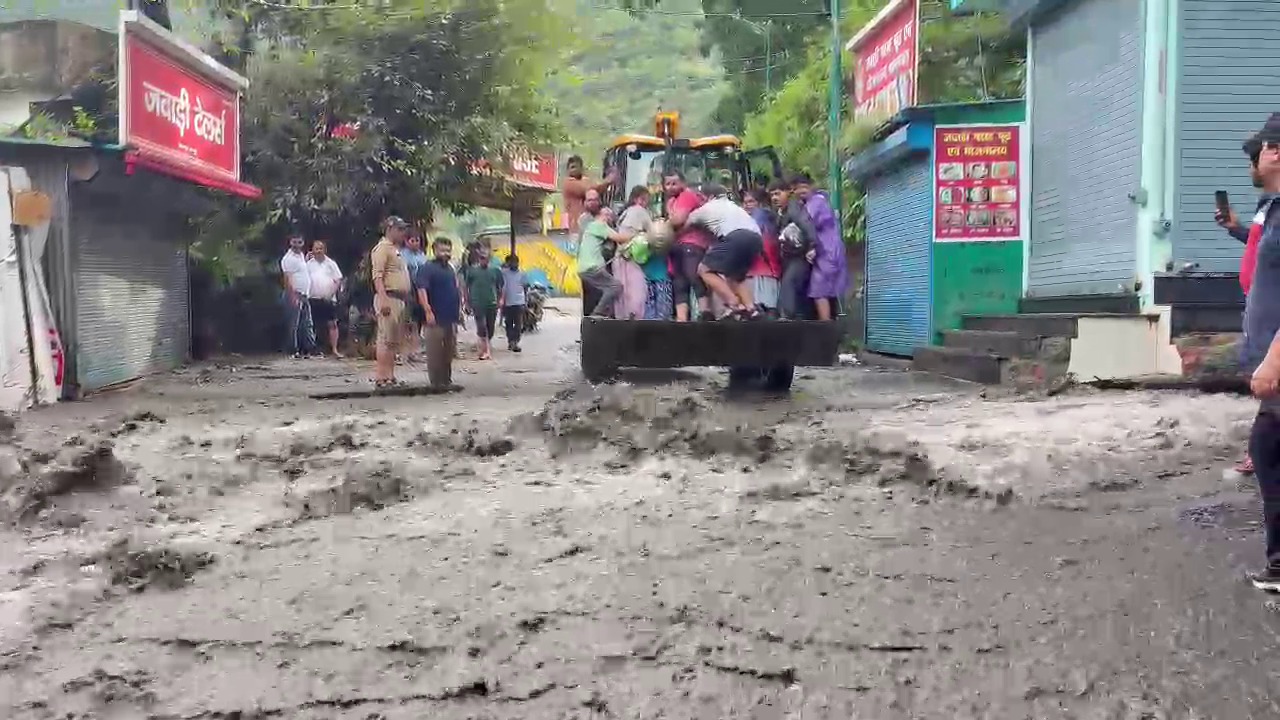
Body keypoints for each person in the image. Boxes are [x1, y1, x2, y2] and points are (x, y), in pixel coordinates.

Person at [1240, 114, 1280, 594]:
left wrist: (1273, 356)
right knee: (1268, 448)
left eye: (1258, 152)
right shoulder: (1271, 208)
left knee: (1268, 448)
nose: (1252, 162)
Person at [1217, 136, 1267, 476]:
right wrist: (1236, 229)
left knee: (1269, 383)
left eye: (1254, 160)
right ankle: (1260, 451)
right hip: (1259, 305)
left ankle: (1260, 453)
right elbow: (1262, 245)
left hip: (1271, 311)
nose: (1251, 168)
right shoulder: (1268, 206)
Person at [685, 184, 764, 319]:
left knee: (704, 270)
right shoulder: (733, 206)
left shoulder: (706, 208)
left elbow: (686, 224)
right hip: (756, 238)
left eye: (700, 198)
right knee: (735, 277)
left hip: (736, 237)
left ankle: (734, 304)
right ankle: (751, 309)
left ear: (709, 196)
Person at [792, 173, 848, 321]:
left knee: (819, 290)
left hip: (827, 250)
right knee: (826, 290)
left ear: (811, 187)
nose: (801, 190)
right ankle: (829, 324)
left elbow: (805, 222)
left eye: (804, 186)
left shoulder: (815, 202)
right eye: (797, 188)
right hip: (828, 249)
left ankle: (826, 326)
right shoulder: (816, 201)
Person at [415, 236, 463, 391]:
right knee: (435, 351)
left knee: (448, 351)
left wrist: (460, 310)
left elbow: (455, 289)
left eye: (448, 250)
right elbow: (421, 290)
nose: (446, 253)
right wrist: (428, 311)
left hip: (450, 316)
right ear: (434, 250)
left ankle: (446, 381)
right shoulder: (427, 268)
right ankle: (435, 383)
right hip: (435, 316)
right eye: (442, 250)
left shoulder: (450, 268)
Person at [664, 170, 713, 321]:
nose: (671, 187)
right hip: (677, 244)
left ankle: (705, 313)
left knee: (694, 277)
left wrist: (660, 226)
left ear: (683, 183)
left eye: (674, 183)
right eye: (668, 184)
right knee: (679, 282)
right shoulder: (671, 202)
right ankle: (681, 319)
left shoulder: (687, 195)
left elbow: (679, 219)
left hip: (693, 243)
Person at [370, 216, 413, 387]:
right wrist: (383, 299)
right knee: (385, 339)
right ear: (390, 229)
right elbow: (377, 276)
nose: (403, 233)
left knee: (394, 340)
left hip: (399, 298)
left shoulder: (395, 249)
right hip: (388, 296)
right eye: (400, 229)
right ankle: (381, 376)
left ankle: (390, 375)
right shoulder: (382, 248)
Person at [619, 185, 673, 320]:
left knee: (646, 299)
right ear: (639, 199)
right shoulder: (640, 212)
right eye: (646, 200)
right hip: (650, 267)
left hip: (633, 261)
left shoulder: (625, 213)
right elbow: (654, 232)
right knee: (659, 299)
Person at [769, 178, 819, 319]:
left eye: (778, 194)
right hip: (790, 257)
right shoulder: (781, 213)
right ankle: (793, 316)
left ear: (788, 193)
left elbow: (807, 225)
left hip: (800, 256)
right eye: (772, 195)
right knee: (793, 287)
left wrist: (812, 246)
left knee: (790, 283)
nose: (774, 198)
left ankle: (788, 316)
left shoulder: (794, 209)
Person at [578, 205, 627, 317]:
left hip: (584, 269)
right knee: (615, 286)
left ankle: (603, 314)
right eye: (607, 215)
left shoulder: (591, 226)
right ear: (600, 215)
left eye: (610, 216)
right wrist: (637, 234)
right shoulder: (600, 225)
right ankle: (598, 313)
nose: (609, 218)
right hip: (592, 268)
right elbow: (620, 238)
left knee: (605, 289)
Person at [460, 243, 504, 360]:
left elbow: (501, 287)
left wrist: (501, 299)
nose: (483, 260)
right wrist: (466, 301)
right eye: (481, 258)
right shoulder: (472, 271)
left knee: (490, 327)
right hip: (477, 302)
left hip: (491, 302)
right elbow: (465, 286)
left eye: (485, 257)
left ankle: (485, 345)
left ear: (489, 258)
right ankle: (485, 349)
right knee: (482, 326)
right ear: (478, 258)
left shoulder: (495, 271)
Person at [280, 235, 318, 359]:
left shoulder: (301, 256)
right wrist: (292, 295)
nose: (297, 244)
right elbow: (287, 279)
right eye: (295, 242)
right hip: (295, 294)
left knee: (307, 323)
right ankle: (292, 350)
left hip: (304, 295)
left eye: (300, 242)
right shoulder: (288, 258)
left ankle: (309, 349)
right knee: (293, 324)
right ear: (290, 242)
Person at [744, 190, 782, 315]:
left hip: (763, 267)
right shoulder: (770, 217)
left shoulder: (759, 216)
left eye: (751, 201)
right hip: (765, 268)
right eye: (745, 202)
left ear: (759, 203)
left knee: (761, 306)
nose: (747, 205)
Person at [306, 240, 344, 358]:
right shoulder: (308, 264)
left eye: (320, 248)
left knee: (332, 324)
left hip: (328, 299)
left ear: (325, 250)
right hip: (313, 298)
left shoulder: (331, 263)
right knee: (313, 325)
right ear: (312, 250)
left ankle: (334, 349)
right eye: (316, 248)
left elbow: (338, 280)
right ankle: (314, 349)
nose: (318, 251)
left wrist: (330, 293)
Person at [562, 155, 618, 235]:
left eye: (576, 167)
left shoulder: (585, 180)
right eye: (572, 167)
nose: (574, 170)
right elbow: (590, 189)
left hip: (589, 224)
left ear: (581, 168)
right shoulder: (569, 183)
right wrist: (609, 180)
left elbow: (598, 189)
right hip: (577, 228)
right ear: (568, 170)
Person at [500, 254, 527, 352]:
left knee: (519, 324)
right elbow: (502, 286)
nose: (514, 264)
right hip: (508, 302)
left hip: (519, 301)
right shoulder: (504, 274)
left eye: (515, 262)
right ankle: (511, 341)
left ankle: (515, 341)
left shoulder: (522, 274)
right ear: (509, 263)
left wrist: (525, 301)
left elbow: (525, 287)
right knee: (508, 323)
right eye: (512, 262)